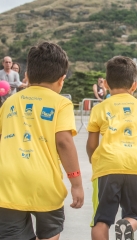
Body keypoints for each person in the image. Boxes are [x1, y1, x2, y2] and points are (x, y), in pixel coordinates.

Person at [0, 42, 84, 239]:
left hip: (8, 181)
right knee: (49, 233)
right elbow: (64, 142)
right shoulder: (61, 103)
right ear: (61, 79)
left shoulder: (10, 102)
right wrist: (77, 183)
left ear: (27, 74)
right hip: (45, 182)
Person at [86, 56, 137, 240]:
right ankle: (128, 224)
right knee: (135, 215)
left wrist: (95, 160)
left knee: (101, 221)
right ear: (134, 85)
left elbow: (92, 144)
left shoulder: (99, 108)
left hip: (108, 166)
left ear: (105, 84)